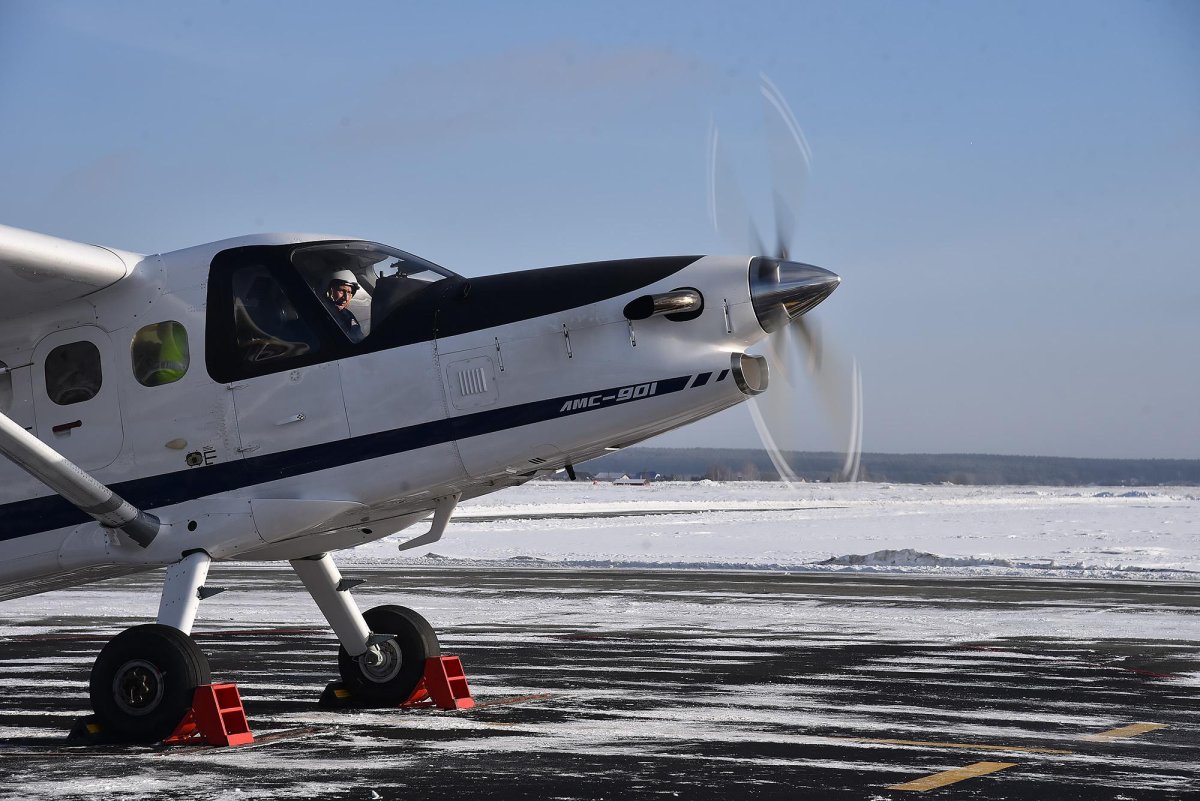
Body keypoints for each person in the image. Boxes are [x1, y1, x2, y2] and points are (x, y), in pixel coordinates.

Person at [323, 269, 365, 343]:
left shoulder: (348, 314)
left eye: (349, 292)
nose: (346, 298)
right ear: (328, 292)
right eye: (341, 291)